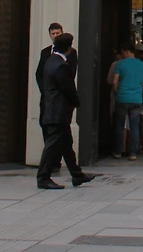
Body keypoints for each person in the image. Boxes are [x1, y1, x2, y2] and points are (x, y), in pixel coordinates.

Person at [35, 32, 95, 190]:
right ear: (69, 47)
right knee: (52, 145)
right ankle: (43, 177)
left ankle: (77, 174)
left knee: (66, 144)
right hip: (58, 112)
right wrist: (76, 101)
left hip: (54, 110)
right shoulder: (61, 66)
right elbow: (68, 88)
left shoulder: (51, 61)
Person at [110, 44, 143, 160]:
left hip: (122, 97)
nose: (121, 55)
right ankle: (133, 153)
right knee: (134, 126)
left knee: (119, 125)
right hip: (136, 99)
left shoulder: (120, 64)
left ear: (127, 51)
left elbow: (114, 82)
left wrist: (116, 93)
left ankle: (118, 151)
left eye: (122, 52)